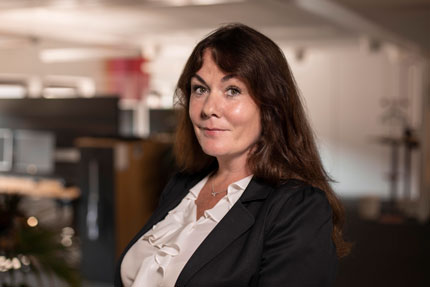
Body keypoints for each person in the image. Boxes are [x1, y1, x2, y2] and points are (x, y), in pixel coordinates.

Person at [115, 23, 349, 287]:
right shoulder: (182, 185)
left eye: (233, 91)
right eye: (200, 89)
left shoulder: (297, 208)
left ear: (270, 106)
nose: (209, 109)